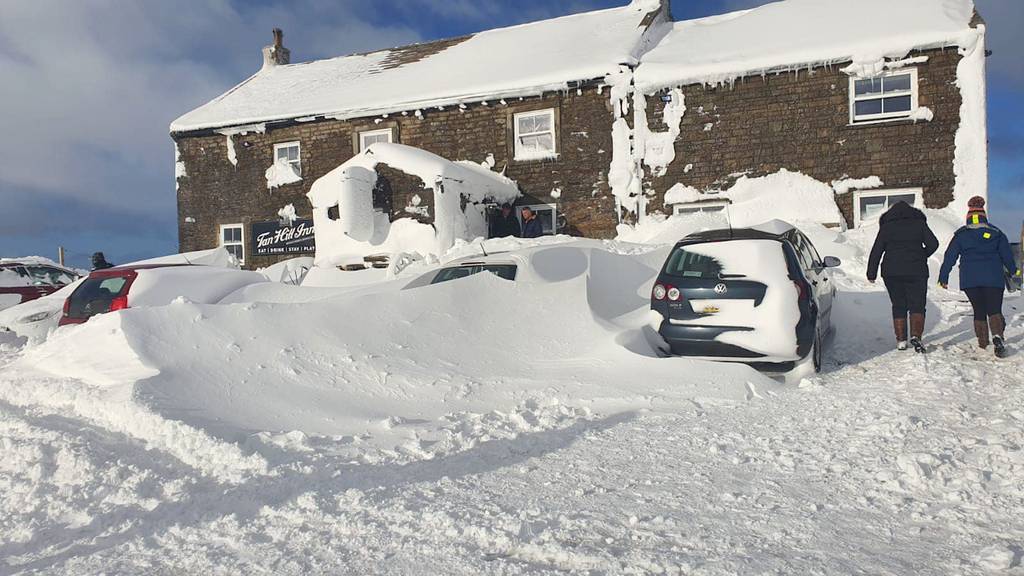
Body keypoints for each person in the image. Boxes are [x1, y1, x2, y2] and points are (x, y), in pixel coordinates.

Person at [939, 196, 1020, 358]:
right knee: (994, 309)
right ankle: (997, 336)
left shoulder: (961, 235)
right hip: (993, 279)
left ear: (969, 217)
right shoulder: (997, 233)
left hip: (971, 280)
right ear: (984, 216)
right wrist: (1014, 272)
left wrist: (943, 277)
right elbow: (1007, 257)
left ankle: (983, 343)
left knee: (979, 310)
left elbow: (950, 256)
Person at [866, 201, 940, 352]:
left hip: (892, 272)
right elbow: (933, 244)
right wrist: (922, 255)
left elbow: (876, 251)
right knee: (917, 304)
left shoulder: (886, 228)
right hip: (916, 270)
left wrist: (871, 273)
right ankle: (916, 336)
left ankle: (901, 340)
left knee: (898, 304)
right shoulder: (919, 224)